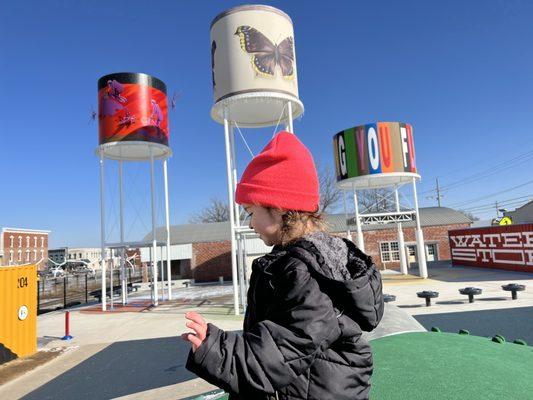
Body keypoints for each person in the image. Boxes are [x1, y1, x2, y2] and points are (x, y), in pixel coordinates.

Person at [182, 131, 384, 400]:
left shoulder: (305, 273)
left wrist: (214, 347)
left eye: (252, 213)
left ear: (278, 208)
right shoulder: (310, 259)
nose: (250, 224)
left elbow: (280, 351)